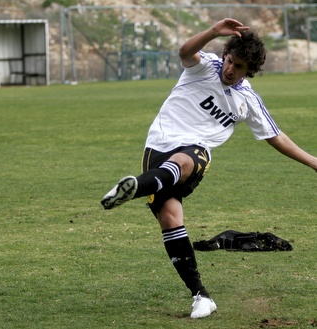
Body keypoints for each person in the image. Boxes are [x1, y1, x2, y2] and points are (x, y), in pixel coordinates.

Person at [100, 18, 317, 319]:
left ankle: (137, 187)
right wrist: (214, 32)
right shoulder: (206, 66)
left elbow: (275, 136)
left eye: (239, 66)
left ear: (249, 70)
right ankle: (201, 296)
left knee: (185, 160)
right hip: (158, 143)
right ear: (224, 56)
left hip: (196, 151)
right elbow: (185, 52)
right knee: (170, 217)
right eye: (230, 61)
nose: (230, 69)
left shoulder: (248, 100)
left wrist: (314, 163)